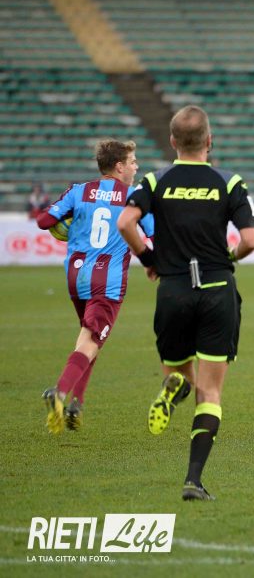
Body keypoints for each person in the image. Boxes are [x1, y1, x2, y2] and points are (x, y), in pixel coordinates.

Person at [117, 105, 254, 501]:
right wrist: (230, 257)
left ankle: (175, 385)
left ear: (173, 142)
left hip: (174, 289)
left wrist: (149, 258)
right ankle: (193, 480)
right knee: (210, 394)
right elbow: (250, 240)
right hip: (217, 289)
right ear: (209, 141)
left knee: (181, 376)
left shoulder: (155, 181)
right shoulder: (229, 182)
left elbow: (125, 223)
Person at [35, 140, 153, 434]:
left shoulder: (78, 191)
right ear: (119, 167)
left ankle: (77, 404)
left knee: (88, 340)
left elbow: (44, 221)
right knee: (91, 341)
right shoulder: (134, 197)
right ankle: (60, 393)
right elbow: (153, 233)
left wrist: (70, 221)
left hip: (76, 277)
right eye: (133, 162)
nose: (136, 167)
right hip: (107, 281)